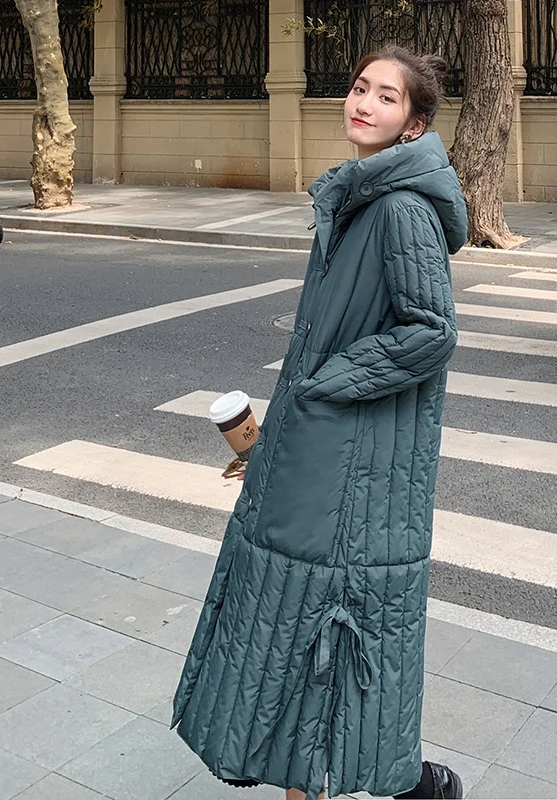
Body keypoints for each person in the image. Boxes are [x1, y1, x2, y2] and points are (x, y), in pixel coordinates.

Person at [171, 45, 467, 800]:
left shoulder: (399, 209)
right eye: (360, 87)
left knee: (316, 625)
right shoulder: (359, 196)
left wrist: (322, 388)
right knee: (298, 621)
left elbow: (431, 331)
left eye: (387, 96)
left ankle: (396, 782)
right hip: (322, 445)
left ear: (414, 125)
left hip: (351, 460)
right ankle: (365, 780)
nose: (363, 102)